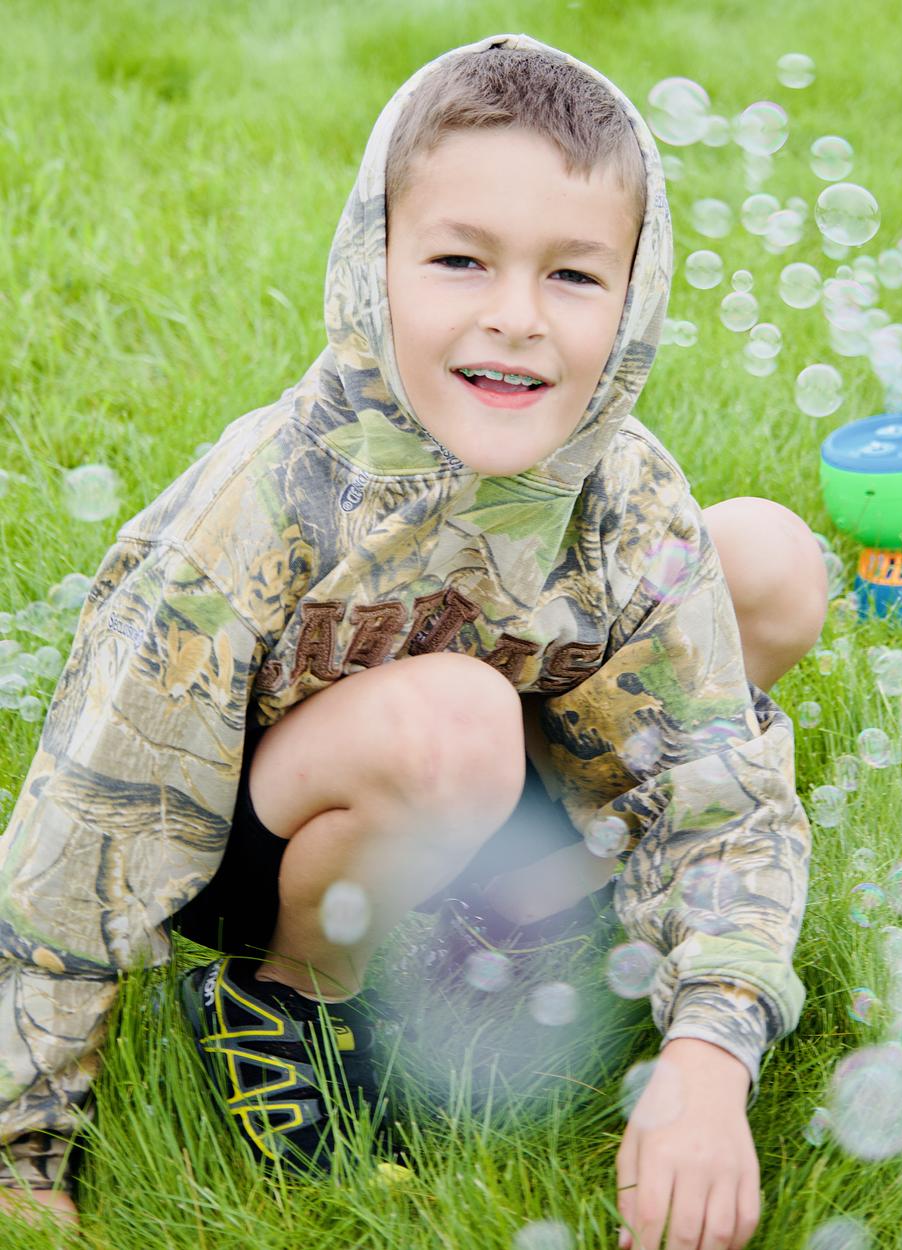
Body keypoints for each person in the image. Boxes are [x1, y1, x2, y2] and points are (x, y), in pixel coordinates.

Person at [0, 32, 826, 1250]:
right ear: (371, 265)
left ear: (635, 298)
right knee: (457, 719)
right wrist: (22, 1146)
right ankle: (288, 992)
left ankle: (520, 899)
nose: (515, 317)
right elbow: (89, 825)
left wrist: (709, 1053)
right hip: (265, 830)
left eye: (573, 275)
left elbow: (722, 802)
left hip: (476, 780)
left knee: (766, 558)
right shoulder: (265, 503)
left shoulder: (625, 495)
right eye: (458, 259)